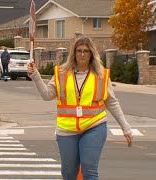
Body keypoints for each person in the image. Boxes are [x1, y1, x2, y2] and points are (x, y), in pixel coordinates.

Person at [27, 36, 133, 180]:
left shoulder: (100, 75)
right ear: (74, 53)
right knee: (69, 173)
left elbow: (112, 102)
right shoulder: (62, 73)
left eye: (86, 51)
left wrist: (125, 127)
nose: (82, 54)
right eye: (79, 51)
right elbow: (47, 95)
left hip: (94, 126)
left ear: (91, 54)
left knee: (89, 170)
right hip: (66, 129)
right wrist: (35, 76)